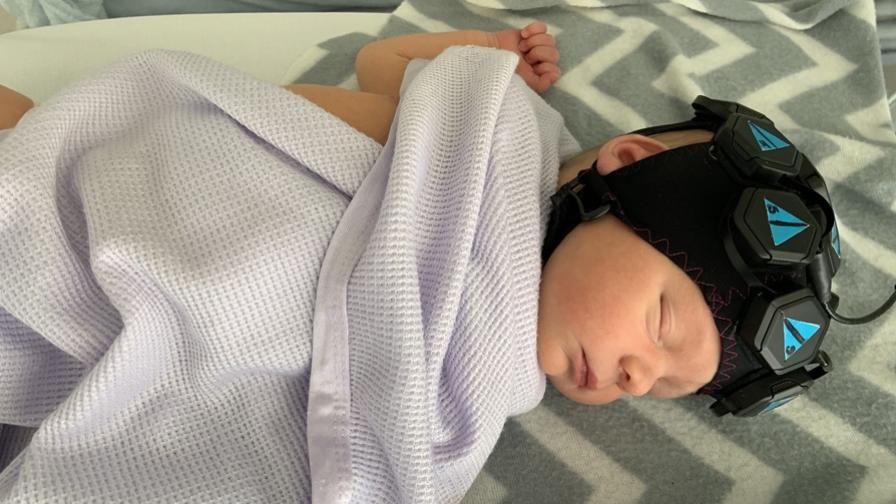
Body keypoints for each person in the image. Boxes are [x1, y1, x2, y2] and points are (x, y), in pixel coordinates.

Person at [0, 20, 721, 409]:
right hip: (133, 174)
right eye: (661, 324)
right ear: (624, 169)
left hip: (179, 312)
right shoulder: (498, 127)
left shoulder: (484, 382)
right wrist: (481, 53)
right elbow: (382, 64)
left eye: (662, 387)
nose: (637, 376)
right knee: (26, 140)